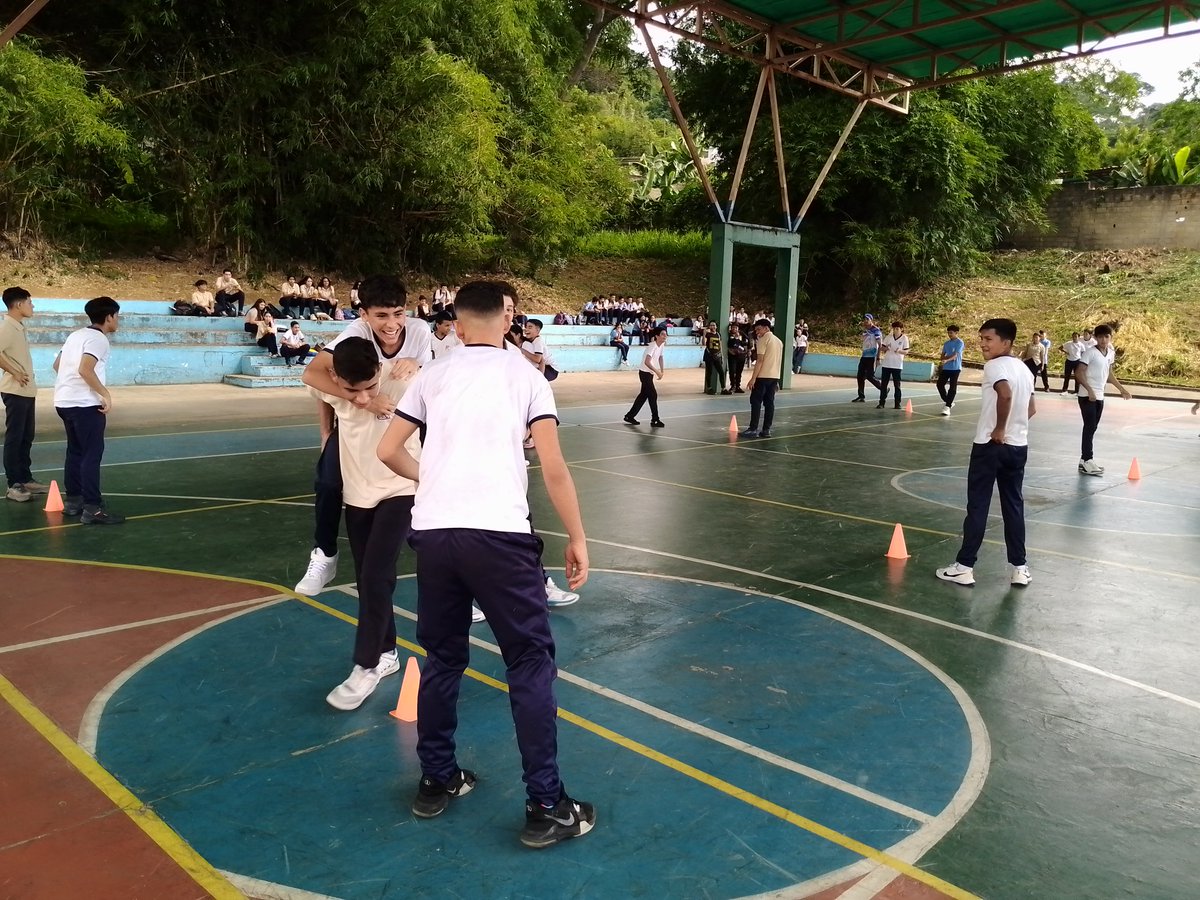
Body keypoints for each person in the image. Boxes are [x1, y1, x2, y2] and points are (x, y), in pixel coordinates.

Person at [377, 279, 594, 849]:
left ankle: (437, 777)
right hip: (498, 535)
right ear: (507, 315)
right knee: (527, 660)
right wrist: (577, 537)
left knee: (443, 656)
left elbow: (388, 450)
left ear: (458, 318)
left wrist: (438, 483)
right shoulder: (526, 376)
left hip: (435, 533)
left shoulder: (433, 374)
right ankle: (547, 803)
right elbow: (552, 467)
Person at [296, 275, 432, 596]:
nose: (391, 323)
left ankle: (449, 580)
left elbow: (428, 375)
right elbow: (313, 375)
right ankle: (325, 552)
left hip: (407, 421)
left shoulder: (419, 331)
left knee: (436, 488)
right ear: (364, 315)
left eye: (398, 314)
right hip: (359, 419)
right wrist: (351, 413)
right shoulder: (355, 336)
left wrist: (415, 361)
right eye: (381, 316)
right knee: (329, 482)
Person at [315, 337, 421, 710]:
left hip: (401, 487)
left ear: (379, 369)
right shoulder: (334, 389)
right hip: (357, 493)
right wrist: (325, 435)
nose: (361, 397)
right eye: (351, 390)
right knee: (367, 578)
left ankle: (367, 664)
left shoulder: (405, 379)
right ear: (336, 377)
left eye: (370, 387)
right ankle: (387, 650)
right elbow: (315, 384)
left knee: (377, 574)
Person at [936, 318, 1036, 588]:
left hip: (991, 446)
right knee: (1013, 506)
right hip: (1018, 447)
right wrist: (1015, 427)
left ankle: (965, 566)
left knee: (978, 505)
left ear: (1007, 342)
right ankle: (1020, 568)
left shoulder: (994, 366)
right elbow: (1031, 409)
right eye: (981, 338)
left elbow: (1004, 394)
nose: (982, 344)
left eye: (988, 339)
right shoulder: (1025, 370)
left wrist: (1000, 429)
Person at [52, 296, 123, 525]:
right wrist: (105, 393)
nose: (117, 320)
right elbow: (86, 368)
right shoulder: (98, 339)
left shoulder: (76, 335)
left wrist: (70, 387)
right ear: (109, 316)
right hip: (85, 405)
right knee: (92, 454)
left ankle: (74, 501)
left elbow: (57, 365)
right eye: (117, 316)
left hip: (64, 402)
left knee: (75, 451)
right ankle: (92, 507)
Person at [0, 287, 49, 502]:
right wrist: (15, 372)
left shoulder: (18, 327)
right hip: (15, 390)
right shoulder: (7, 328)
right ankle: (14, 484)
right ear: (18, 304)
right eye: (30, 302)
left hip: (27, 391)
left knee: (26, 436)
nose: (33, 305)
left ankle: (25, 478)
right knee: (15, 437)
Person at [1074, 323, 1131, 477]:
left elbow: (1109, 374)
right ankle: (1088, 459)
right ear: (1095, 338)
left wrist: (1122, 389)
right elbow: (1079, 373)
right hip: (1087, 396)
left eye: (1106, 337)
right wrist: (1089, 390)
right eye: (1100, 337)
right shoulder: (1089, 353)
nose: (1103, 340)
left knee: (1093, 428)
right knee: (1089, 426)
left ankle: (1083, 460)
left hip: (1100, 396)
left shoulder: (1110, 353)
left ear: (1111, 338)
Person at [739, 319, 783, 438]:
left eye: (759, 329)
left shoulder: (763, 340)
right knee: (769, 403)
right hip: (774, 376)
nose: (757, 332)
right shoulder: (779, 342)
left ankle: (753, 428)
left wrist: (753, 378)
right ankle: (766, 429)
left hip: (763, 376)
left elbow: (760, 360)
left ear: (766, 328)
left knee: (756, 402)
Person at [624, 326, 666, 428]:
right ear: (656, 336)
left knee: (643, 396)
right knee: (653, 395)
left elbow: (660, 357)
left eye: (665, 334)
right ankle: (655, 419)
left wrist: (662, 370)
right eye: (662, 334)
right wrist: (657, 372)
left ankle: (629, 416)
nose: (665, 336)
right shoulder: (652, 346)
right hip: (644, 373)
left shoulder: (662, 345)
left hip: (650, 374)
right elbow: (647, 362)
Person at [877, 321, 910, 410]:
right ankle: (881, 402)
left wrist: (899, 351)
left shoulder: (904, 338)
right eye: (894, 329)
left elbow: (906, 351)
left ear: (901, 329)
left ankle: (897, 403)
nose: (895, 330)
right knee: (884, 384)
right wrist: (886, 348)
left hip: (897, 365)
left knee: (897, 385)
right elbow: (882, 347)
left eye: (897, 329)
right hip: (887, 364)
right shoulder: (889, 337)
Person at [852, 314, 883, 402]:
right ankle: (861, 396)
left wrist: (878, 358)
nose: (865, 322)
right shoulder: (866, 331)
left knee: (870, 376)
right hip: (864, 356)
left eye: (867, 320)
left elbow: (880, 345)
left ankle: (882, 388)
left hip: (872, 357)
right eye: (864, 320)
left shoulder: (876, 331)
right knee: (860, 376)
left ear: (871, 320)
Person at [937, 325, 965, 416]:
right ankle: (948, 401)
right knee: (939, 384)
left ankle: (947, 407)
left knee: (952, 387)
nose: (949, 334)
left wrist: (947, 359)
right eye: (948, 332)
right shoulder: (946, 343)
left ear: (956, 333)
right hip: (946, 368)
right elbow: (942, 356)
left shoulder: (959, 342)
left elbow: (955, 355)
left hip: (955, 368)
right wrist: (946, 358)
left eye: (951, 333)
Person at [702, 320, 730, 395]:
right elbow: (704, 343)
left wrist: (722, 356)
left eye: (714, 325)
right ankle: (709, 388)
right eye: (711, 325)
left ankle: (723, 388)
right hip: (709, 355)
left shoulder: (718, 334)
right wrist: (704, 334)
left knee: (721, 372)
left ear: (716, 327)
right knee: (709, 372)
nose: (712, 327)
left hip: (717, 355)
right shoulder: (708, 334)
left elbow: (720, 345)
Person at [726, 324, 748, 393]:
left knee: (739, 372)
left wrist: (744, 346)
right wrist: (735, 338)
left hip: (741, 356)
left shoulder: (741, 334)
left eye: (735, 328)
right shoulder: (729, 335)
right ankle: (733, 386)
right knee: (732, 371)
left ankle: (738, 386)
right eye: (733, 328)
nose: (734, 329)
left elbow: (747, 341)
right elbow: (729, 344)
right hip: (732, 356)